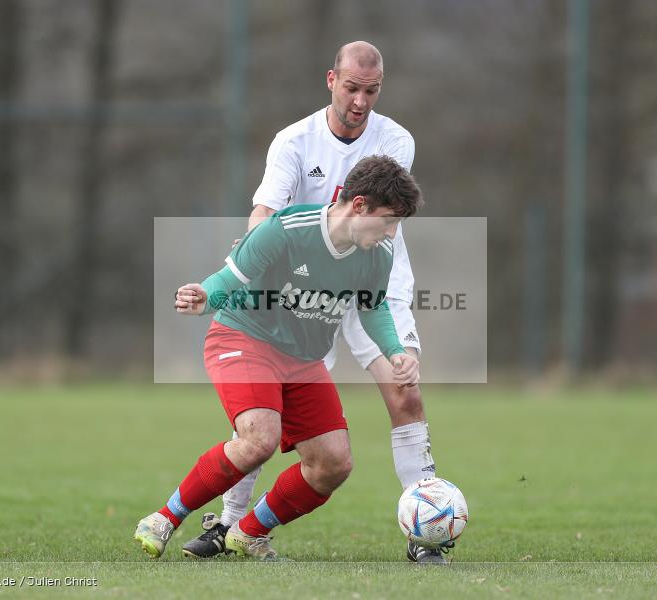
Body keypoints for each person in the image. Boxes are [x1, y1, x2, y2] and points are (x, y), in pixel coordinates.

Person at [182, 41, 449, 565]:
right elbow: (266, 210)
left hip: (374, 274)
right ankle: (231, 524)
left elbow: (376, 209)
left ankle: (425, 528)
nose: (360, 101)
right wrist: (254, 261)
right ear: (331, 80)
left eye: (371, 91)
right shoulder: (294, 141)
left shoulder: (395, 140)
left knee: (405, 394)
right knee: (266, 411)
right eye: (351, 88)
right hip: (302, 287)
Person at [135, 155, 423, 561]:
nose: (392, 231)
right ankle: (164, 518)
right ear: (359, 205)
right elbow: (231, 277)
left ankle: (247, 532)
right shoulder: (287, 229)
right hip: (244, 338)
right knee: (259, 439)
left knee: (333, 464)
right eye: (389, 219)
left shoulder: (378, 253)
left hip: (303, 359)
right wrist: (203, 297)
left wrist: (395, 352)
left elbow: (372, 307)